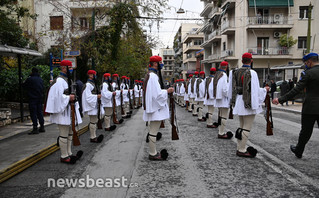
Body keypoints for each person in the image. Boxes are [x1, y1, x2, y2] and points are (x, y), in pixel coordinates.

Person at [273, 53, 319, 159]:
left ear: (309, 62)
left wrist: (280, 99)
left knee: (306, 131)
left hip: (310, 108)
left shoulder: (307, 73)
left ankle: (299, 150)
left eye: (306, 63)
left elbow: (296, 90)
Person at [228, 53, 268, 158]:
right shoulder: (252, 73)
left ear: (242, 60)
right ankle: (242, 149)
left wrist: (231, 101)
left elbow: (231, 88)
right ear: (251, 60)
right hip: (248, 102)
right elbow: (254, 90)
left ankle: (239, 147)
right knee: (247, 127)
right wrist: (264, 90)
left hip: (239, 100)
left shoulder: (235, 72)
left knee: (241, 126)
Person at [45, 60, 83, 164]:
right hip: (62, 112)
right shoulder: (59, 81)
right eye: (69, 67)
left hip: (69, 111)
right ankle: (63, 155)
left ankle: (69, 153)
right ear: (63, 68)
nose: (71, 69)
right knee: (63, 134)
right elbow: (56, 97)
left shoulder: (67, 80)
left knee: (70, 133)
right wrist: (68, 98)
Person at [143, 55, 174, 160]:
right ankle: (153, 153)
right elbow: (157, 95)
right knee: (153, 130)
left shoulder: (151, 75)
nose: (162, 64)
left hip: (153, 107)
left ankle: (153, 152)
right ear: (155, 64)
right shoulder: (153, 76)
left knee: (153, 129)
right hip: (155, 108)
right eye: (160, 62)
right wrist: (167, 91)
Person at [82, 70, 104, 143]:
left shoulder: (93, 84)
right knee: (93, 122)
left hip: (94, 105)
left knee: (94, 121)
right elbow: (87, 97)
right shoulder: (88, 84)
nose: (95, 76)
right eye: (95, 74)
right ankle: (92, 137)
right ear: (90, 75)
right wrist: (97, 96)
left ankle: (94, 135)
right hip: (91, 106)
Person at [214, 61, 233, 139]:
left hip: (219, 98)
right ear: (226, 67)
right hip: (223, 98)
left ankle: (220, 131)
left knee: (221, 116)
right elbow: (224, 89)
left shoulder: (217, 74)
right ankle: (221, 133)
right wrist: (229, 96)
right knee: (224, 117)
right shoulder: (224, 75)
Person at [23, 67, 45, 134]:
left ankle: (35, 128)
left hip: (32, 98)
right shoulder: (40, 79)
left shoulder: (30, 79)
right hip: (40, 98)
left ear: (32, 72)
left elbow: (24, 86)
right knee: (39, 112)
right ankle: (42, 126)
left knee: (33, 113)